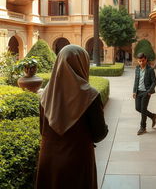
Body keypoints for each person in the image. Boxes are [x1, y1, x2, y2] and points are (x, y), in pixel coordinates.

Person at [35, 45, 108, 189]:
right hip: (78, 161)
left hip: (48, 160)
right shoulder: (90, 96)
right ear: (82, 63)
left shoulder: (45, 94)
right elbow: (99, 134)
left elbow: (42, 129)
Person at [133, 52, 156, 135]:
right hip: (138, 92)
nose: (141, 63)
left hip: (146, 92)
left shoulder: (150, 70)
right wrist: (134, 91)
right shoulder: (137, 69)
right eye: (140, 61)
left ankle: (143, 127)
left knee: (143, 110)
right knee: (138, 108)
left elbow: (154, 82)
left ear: (146, 60)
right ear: (138, 61)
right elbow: (136, 81)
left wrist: (149, 92)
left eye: (143, 61)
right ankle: (153, 116)